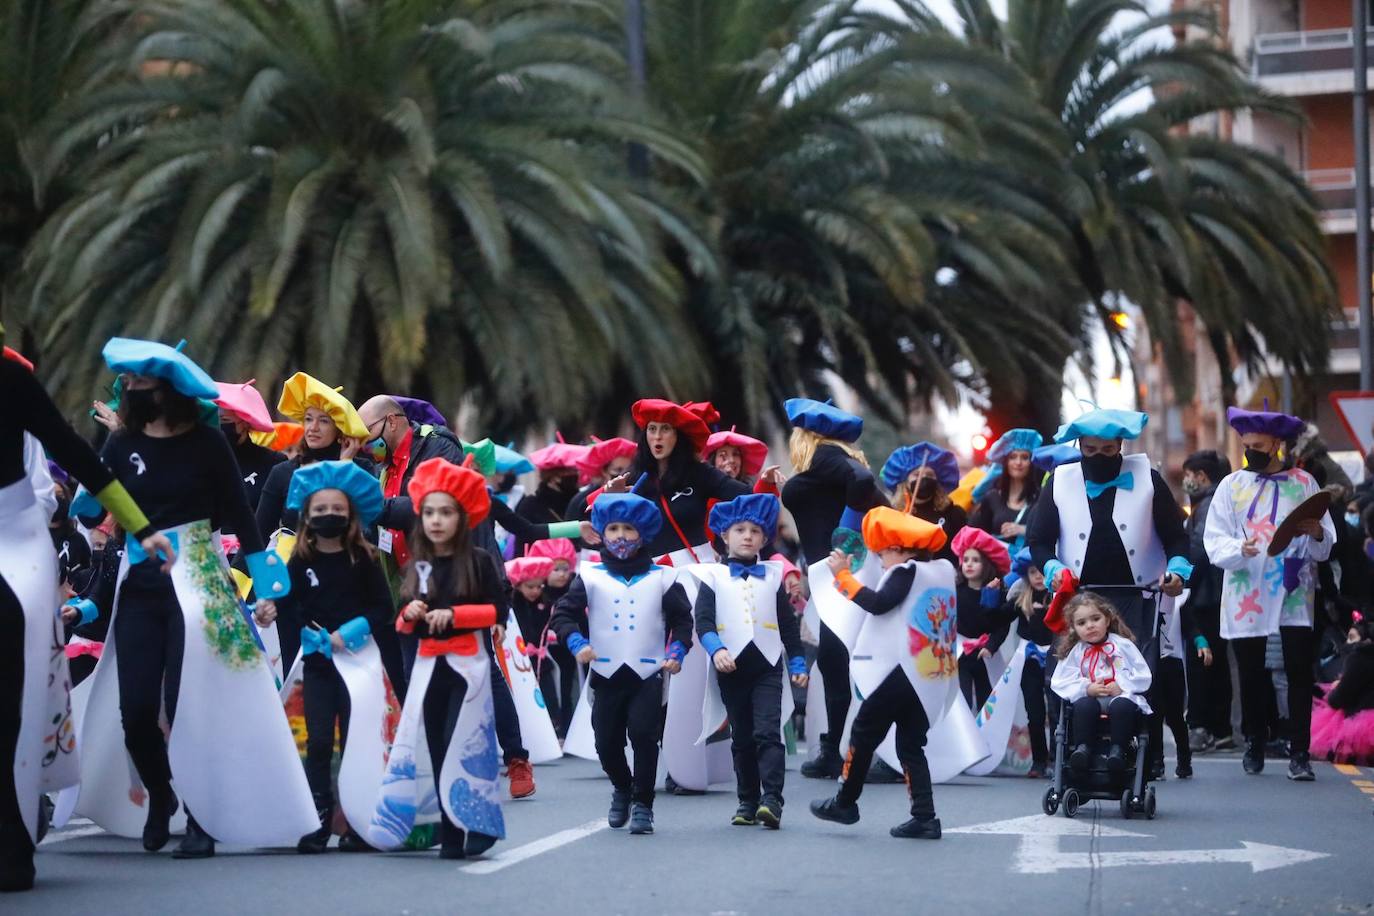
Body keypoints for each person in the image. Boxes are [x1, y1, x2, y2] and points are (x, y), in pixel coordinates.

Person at [79, 338, 317, 861]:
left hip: (203, 579)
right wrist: (89, 481)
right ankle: (161, 794)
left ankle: (202, 818)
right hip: (138, 584)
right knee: (136, 709)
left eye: (140, 382)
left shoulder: (209, 445)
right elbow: (91, 507)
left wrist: (267, 584)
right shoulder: (121, 445)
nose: (130, 389)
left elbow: (240, 513)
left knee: (191, 705)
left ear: (168, 389)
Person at [1, 337, 174, 893]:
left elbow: (73, 452)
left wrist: (140, 526)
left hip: (15, 535)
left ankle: (13, 839)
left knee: (12, 687)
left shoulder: (12, 378)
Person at [372, 457, 506, 859]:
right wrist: (408, 615)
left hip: (469, 668)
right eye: (429, 512)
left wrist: (457, 615)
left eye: (445, 512)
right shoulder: (416, 566)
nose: (435, 520)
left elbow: (497, 611)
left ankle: (476, 824)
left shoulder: (479, 562)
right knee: (434, 744)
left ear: (462, 518)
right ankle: (450, 835)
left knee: (462, 744)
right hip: (428, 669)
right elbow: (404, 621)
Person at [254, 461, 391, 853]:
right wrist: (273, 611)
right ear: (306, 516)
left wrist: (347, 634)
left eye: (336, 510)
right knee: (316, 742)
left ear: (350, 513)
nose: (328, 516)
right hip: (317, 665)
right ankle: (317, 819)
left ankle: (357, 822)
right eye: (319, 511)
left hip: (360, 666)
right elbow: (288, 601)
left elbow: (383, 608)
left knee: (355, 742)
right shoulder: (300, 560)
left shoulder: (363, 558)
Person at [1203, 405, 1335, 780]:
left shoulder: (1305, 483)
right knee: (1251, 672)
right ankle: (1254, 741)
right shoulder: (1232, 486)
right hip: (1248, 589)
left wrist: (1317, 533)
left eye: (1259, 445)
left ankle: (1299, 752)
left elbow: (1325, 540)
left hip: (1294, 589)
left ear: (1277, 443)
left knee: (1297, 670)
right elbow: (1215, 540)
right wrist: (1236, 550)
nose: (1251, 452)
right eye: (1247, 445)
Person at [809, 507, 955, 840]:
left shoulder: (906, 571)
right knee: (910, 746)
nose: (881, 560)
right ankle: (925, 816)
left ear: (900, 548)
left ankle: (845, 801)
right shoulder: (943, 570)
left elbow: (878, 603)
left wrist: (842, 576)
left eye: (883, 552)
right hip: (930, 676)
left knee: (863, 733)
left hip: (900, 671)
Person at [550, 493, 692, 835]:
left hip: (647, 672)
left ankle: (643, 803)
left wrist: (677, 652)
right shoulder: (590, 575)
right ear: (601, 532)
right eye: (613, 528)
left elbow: (683, 621)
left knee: (644, 736)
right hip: (605, 673)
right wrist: (576, 642)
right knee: (605, 742)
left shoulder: (664, 578)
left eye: (628, 528)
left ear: (642, 533)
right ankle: (621, 786)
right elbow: (564, 614)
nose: (620, 536)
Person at [779, 397, 887, 779]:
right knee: (836, 660)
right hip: (837, 575)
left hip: (843, 573)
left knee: (843, 660)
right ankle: (837, 748)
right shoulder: (828, 465)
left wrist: (847, 532)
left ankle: (852, 750)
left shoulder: (825, 455)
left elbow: (862, 483)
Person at [693, 494, 807, 829]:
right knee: (741, 736)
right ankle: (747, 799)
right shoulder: (711, 576)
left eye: (755, 531)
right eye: (739, 529)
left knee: (768, 733)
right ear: (724, 536)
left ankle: (772, 800)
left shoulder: (773, 576)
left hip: (768, 665)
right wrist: (716, 650)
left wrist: (798, 662)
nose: (747, 536)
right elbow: (704, 621)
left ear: (764, 538)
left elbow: (788, 624)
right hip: (731, 667)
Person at [597, 399, 770, 564]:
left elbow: (750, 497)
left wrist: (726, 538)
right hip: (653, 575)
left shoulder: (699, 472)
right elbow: (600, 526)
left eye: (665, 429)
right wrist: (611, 498)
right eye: (652, 429)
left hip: (701, 570)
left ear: (677, 435)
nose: (657, 436)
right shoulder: (632, 478)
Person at [256, 373, 371, 538]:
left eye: (323, 421)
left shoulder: (361, 469)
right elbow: (259, 532)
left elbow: (367, 523)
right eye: (308, 419)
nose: (313, 427)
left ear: (339, 428)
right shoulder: (282, 472)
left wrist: (345, 465)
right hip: (291, 562)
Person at [1051, 593, 1153, 772]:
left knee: (1122, 707)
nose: (1090, 626)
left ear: (1107, 620)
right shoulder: (1076, 652)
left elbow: (1143, 673)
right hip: (1090, 699)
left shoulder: (1123, 645)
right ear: (1074, 628)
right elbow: (1060, 680)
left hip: (1120, 696)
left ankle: (1118, 750)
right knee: (1083, 706)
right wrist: (1086, 688)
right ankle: (1083, 749)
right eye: (1082, 623)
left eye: (1095, 619)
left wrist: (1122, 686)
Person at [1181, 449, 1235, 753]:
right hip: (1216, 593)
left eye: (1189, 476)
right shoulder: (1214, 501)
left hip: (1204, 595)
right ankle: (1221, 728)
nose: (1186, 482)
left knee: (1201, 661)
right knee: (1216, 661)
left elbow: (1199, 549)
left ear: (1201, 477)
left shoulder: (1207, 504)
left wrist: (1183, 579)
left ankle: (1202, 726)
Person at [950, 526, 1012, 711]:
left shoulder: (996, 595)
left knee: (988, 702)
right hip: (960, 655)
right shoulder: (956, 591)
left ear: (987, 565)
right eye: (966, 559)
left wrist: (991, 645)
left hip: (985, 656)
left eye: (975, 560)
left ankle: (985, 739)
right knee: (962, 701)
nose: (968, 564)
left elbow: (1001, 625)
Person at [1005, 549, 1053, 776]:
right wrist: (992, 594)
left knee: (1056, 711)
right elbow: (999, 617)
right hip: (1029, 660)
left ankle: (1057, 759)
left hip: (1056, 658)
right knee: (1034, 712)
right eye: (1033, 572)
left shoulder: (1059, 598)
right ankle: (1039, 761)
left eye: (1042, 572)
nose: (1038, 577)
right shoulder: (1020, 599)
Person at [526, 538, 581, 737]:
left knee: (566, 689)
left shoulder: (574, 592)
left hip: (566, 650)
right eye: (555, 569)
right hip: (541, 654)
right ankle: (547, 731)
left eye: (565, 569)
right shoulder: (535, 594)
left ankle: (566, 729)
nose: (561, 574)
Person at [881, 441, 966, 563]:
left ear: (938, 481)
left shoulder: (954, 514)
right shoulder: (895, 515)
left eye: (930, 475)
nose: (923, 478)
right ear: (905, 482)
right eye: (917, 475)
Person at [213, 380, 286, 513]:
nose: (218, 426)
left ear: (246, 422)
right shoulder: (199, 460)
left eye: (225, 420)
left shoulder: (273, 463)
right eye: (213, 420)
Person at [1311, 615, 1374, 765]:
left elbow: (1340, 698)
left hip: (1359, 724)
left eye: (1352, 638)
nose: (1347, 643)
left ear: (1365, 640)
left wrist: (1334, 691)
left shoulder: (1358, 658)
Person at [969, 429, 1044, 552]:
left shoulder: (1041, 496)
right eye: (1013, 457)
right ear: (1005, 462)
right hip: (997, 568)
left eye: (1024, 457)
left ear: (1031, 462)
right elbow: (975, 534)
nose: (1018, 462)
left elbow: (1051, 532)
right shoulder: (992, 497)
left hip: (1029, 568)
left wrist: (1024, 529)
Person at [565, 437, 637, 526]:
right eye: (618, 470)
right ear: (604, 471)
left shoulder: (637, 496)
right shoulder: (582, 500)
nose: (624, 475)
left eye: (629, 470)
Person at [705, 428, 770, 487]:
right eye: (723, 455)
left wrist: (767, 484)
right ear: (713, 460)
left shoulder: (748, 492)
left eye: (735, 454)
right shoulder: (701, 492)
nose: (731, 460)